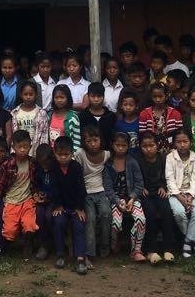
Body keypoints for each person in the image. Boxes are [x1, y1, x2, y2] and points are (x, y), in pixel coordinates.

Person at [0, 130, 39, 255]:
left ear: (30, 147)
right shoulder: (7, 165)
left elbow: (36, 182)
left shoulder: (32, 163)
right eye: (19, 147)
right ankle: (8, 246)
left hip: (27, 200)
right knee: (9, 231)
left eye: (25, 147)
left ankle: (28, 244)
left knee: (29, 225)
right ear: (13, 147)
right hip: (11, 201)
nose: (22, 150)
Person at [47, 135, 89, 274]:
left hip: (75, 205)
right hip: (60, 205)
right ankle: (60, 254)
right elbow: (53, 188)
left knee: (79, 224)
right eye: (60, 154)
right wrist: (58, 205)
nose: (63, 157)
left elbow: (81, 189)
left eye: (66, 155)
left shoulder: (76, 167)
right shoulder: (53, 166)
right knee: (58, 222)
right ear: (55, 153)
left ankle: (80, 258)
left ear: (72, 153)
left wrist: (79, 208)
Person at [104, 131, 146, 261]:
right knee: (116, 223)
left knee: (141, 219)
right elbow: (108, 189)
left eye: (124, 145)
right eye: (118, 145)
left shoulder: (132, 162)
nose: (121, 148)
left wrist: (132, 198)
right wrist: (118, 201)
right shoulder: (108, 164)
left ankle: (136, 250)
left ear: (128, 146)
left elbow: (139, 184)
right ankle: (114, 243)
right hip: (116, 199)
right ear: (112, 145)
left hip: (132, 198)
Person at [165, 130, 195, 258]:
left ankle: (187, 242)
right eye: (179, 142)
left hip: (191, 194)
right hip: (175, 194)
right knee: (179, 213)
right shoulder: (170, 157)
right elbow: (169, 179)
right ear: (174, 143)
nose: (182, 145)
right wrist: (180, 197)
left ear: (191, 142)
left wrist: (191, 196)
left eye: (185, 141)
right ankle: (192, 239)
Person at [75, 126, 110, 262]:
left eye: (95, 140)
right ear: (84, 142)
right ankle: (89, 252)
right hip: (86, 193)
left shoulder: (107, 154)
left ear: (101, 140)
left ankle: (105, 246)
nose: (93, 144)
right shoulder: (80, 154)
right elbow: (77, 175)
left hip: (101, 191)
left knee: (106, 214)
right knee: (90, 219)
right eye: (89, 141)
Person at [139, 83, 182, 155]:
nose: (158, 99)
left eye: (160, 96)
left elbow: (180, 135)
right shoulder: (144, 114)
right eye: (155, 97)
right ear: (151, 96)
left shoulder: (175, 114)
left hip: (172, 152)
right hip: (151, 152)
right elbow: (142, 135)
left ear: (166, 96)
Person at [11, 81, 49, 149]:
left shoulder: (42, 113)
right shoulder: (14, 113)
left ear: (36, 95)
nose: (28, 97)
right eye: (25, 94)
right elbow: (13, 135)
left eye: (31, 94)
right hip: (20, 150)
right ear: (21, 95)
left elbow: (44, 136)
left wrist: (42, 152)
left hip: (36, 150)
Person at [79, 83, 116, 148]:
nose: (96, 99)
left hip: (106, 153)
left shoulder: (111, 116)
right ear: (88, 96)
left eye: (99, 96)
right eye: (93, 96)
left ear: (103, 96)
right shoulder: (82, 116)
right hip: (87, 153)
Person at [48, 84, 81, 153]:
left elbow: (77, 141)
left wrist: (72, 156)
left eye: (62, 97)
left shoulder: (73, 117)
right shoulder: (49, 115)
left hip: (66, 156)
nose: (59, 100)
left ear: (68, 98)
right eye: (56, 97)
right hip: (51, 155)